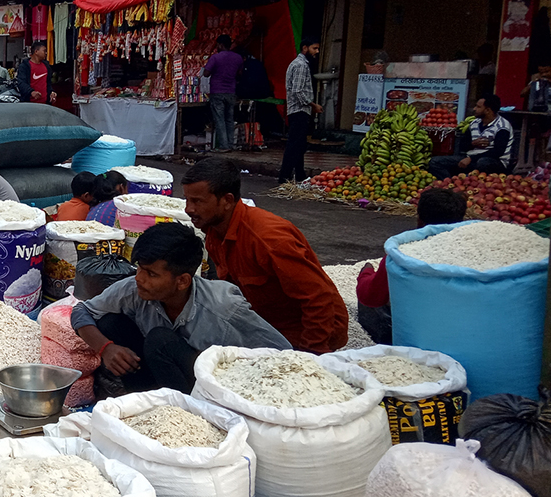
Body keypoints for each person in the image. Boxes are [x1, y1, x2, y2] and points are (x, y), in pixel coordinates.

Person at [72, 222, 291, 393]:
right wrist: (105, 348)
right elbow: (82, 311)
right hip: (155, 373)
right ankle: (142, 399)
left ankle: (181, 411)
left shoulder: (224, 308)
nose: (139, 278)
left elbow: (284, 354)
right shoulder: (134, 288)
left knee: (161, 341)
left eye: (151, 274)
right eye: (139, 268)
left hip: (207, 387)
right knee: (110, 323)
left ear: (183, 281)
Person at [181, 157, 348, 354]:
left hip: (304, 334)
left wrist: (310, 356)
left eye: (197, 201)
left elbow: (318, 298)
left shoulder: (269, 240)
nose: (188, 209)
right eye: (188, 200)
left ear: (226, 201)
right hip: (266, 324)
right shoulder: (214, 231)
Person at [355, 188, 467, 344]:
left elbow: (371, 297)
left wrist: (365, 273)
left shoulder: (402, 254)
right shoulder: (474, 254)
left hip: (415, 333)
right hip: (461, 327)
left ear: (420, 219)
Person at [428, 95, 514, 179]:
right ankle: (451, 183)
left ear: (488, 110)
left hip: (494, 162)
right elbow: (463, 146)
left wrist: (471, 158)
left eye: (478, 107)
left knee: (483, 162)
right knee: (435, 162)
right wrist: (472, 144)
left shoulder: (502, 126)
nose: (474, 109)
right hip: (470, 159)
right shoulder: (474, 123)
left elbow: (498, 152)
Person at [279, 38, 322, 183]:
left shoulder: (299, 64)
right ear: (305, 48)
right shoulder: (301, 66)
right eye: (314, 48)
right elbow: (297, 91)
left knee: (299, 144)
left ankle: (299, 174)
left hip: (299, 110)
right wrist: (313, 105)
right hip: (299, 110)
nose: (316, 52)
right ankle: (284, 176)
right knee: (294, 144)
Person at [204, 34, 243, 152]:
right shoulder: (238, 58)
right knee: (229, 119)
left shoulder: (215, 58)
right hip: (231, 91)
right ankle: (230, 144)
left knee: (219, 119)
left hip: (217, 91)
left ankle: (223, 146)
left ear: (220, 45)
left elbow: (206, 73)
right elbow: (240, 74)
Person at [16, 40, 56, 105]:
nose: (46, 53)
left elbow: (48, 84)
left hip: (45, 104)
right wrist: (31, 92)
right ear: (36, 51)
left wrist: (51, 92)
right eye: (44, 51)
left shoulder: (46, 67)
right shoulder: (24, 66)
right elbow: (21, 83)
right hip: (29, 105)